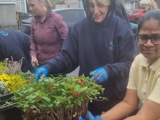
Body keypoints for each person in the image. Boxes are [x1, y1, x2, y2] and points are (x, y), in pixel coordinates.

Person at [34, 0, 137, 116]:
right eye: (91, 5)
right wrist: (48, 67)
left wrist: (109, 70)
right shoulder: (79, 29)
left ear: (110, 5)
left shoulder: (121, 29)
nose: (95, 11)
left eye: (101, 5)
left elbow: (130, 64)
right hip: (88, 99)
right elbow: (67, 57)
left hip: (117, 101)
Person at [80, 9, 160, 120]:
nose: (148, 44)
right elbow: (128, 103)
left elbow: (145, 116)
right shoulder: (138, 62)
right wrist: (100, 118)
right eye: (143, 37)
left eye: (156, 37)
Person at [27, 0, 68, 68]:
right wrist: (33, 56)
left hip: (57, 66)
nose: (30, 9)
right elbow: (33, 42)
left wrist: (61, 60)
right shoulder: (34, 21)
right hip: (41, 65)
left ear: (42, 3)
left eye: (32, 5)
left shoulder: (56, 19)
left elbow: (66, 42)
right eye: (29, 6)